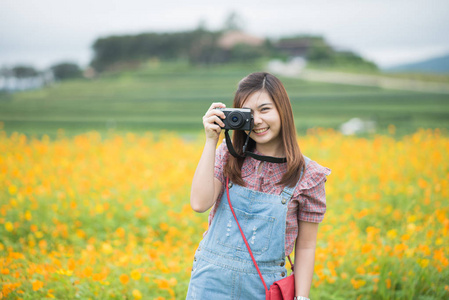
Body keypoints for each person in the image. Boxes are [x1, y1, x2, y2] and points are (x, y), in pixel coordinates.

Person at [186, 72, 331, 299]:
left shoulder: (309, 176)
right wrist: (211, 140)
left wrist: (301, 297)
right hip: (210, 283)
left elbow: (306, 246)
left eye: (265, 110)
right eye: (248, 113)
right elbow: (199, 203)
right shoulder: (227, 155)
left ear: (283, 110)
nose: (258, 121)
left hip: (264, 289)